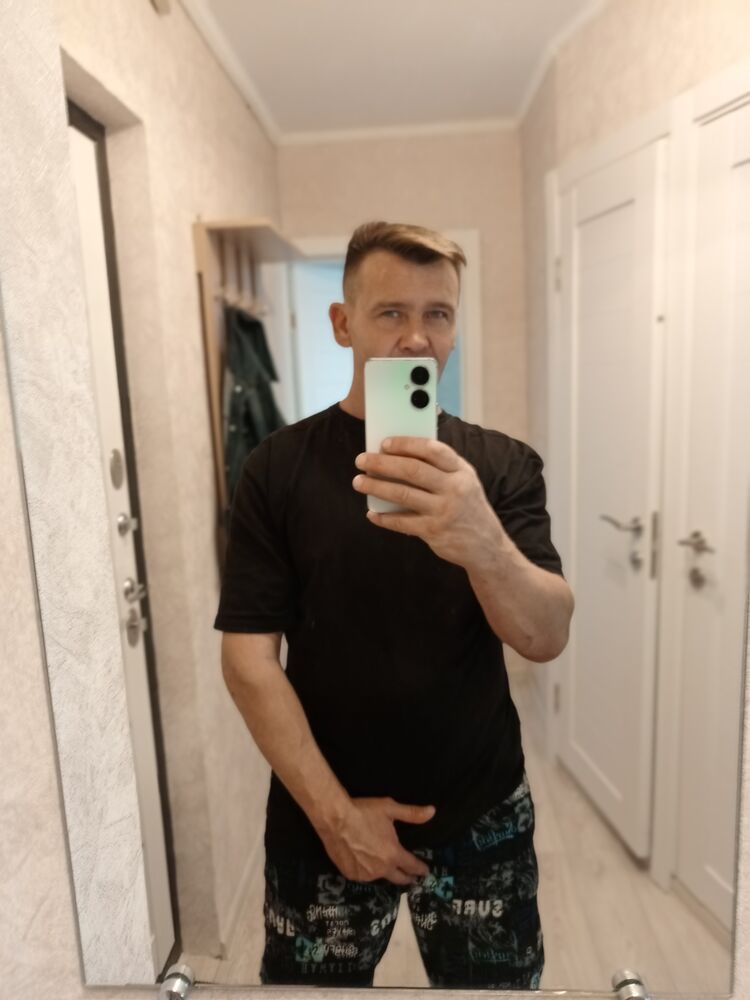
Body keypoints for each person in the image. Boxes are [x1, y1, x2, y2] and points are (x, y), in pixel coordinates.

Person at [214, 221, 574, 989]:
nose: (417, 337)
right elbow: (248, 661)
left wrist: (482, 538)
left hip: (481, 808)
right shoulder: (275, 470)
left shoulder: (501, 466)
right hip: (323, 810)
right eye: (391, 312)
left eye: (438, 313)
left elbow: (545, 636)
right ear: (342, 323)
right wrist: (338, 817)